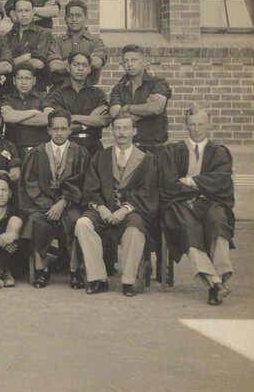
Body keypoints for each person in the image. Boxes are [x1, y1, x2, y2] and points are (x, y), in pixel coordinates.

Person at [159, 108, 235, 306]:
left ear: (209, 124)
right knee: (189, 230)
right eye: (192, 124)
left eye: (201, 124)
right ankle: (215, 283)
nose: (196, 129)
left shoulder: (219, 152)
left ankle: (217, 279)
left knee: (219, 221)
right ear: (186, 126)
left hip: (210, 203)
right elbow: (168, 184)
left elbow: (221, 182)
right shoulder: (173, 150)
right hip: (179, 204)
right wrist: (202, 189)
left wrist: (190, 182)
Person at [77, 114, 159, 297]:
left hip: (131, 210)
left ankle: (129, 281)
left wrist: (125, 209)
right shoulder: (101, 157)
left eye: (126, 128)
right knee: (82, 224)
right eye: (118, 128)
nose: (121, 133)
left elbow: (147, 192)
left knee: (135, 230)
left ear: (134, 131)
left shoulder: (145, 160)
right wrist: (101, 208)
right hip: (103, 209)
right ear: (112, 130)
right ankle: (98, 278)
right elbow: (90, 188)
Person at [19, 109, 89, 289]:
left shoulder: (80, 153)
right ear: (48, 130)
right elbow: (30, 183)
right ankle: (41, 270)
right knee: (35, 220)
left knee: (75, 220)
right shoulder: (37, 153)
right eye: (55, 129)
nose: (59, 133)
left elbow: (84, 183)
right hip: (43, 205)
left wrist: (64, 201)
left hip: (70, 203)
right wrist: (49, 206)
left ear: (70, 130)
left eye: (63, 129)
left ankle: (75, 271)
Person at [43, 52, 109, 157]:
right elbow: (58, 123)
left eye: (84, 65)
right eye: (76, 64)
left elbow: (104, 120)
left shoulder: (97, 94)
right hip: (66, 145)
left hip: (93, 146)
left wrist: (72, 117)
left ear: (89, 69)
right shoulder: (57, 93)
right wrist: (88, 121)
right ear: (68, 67)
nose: (80, 68)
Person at [108, 45, 172, 154]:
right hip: (129, 149)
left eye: (134, 60)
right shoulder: (119, 88)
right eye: (125, 61)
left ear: (144, 61)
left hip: (155, 149)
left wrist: (127, 107)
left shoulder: (157, 83)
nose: (129, 64)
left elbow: (156, 108)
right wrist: (146, 110)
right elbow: (115, 114)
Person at [48, 0, 107, 87]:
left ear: (86, 17)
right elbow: (54, 66)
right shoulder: (57, 41)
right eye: (70, 15)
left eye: (78, 15)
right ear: (65, 18)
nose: (74, 19)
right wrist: (85, 64)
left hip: (87, 90)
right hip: (60, 91)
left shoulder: (96, 42)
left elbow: (97, 62)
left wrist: (66, 64)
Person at [3, 0, 52, 93]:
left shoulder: (43, 33)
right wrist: (25, 57)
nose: (24, 14)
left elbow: (39, 63)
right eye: (20, 11)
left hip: (36, 87)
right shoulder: (7, 36)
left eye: (27, 10)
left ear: (33, 12)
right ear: (14, 13)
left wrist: (11, 63)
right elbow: (4, 65)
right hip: (11, 88)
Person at [1, 64, 49, 157]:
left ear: (34, 81)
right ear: (14, 81)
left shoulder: (43, 97)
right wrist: (35, 112)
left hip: (41, 151)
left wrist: (16, 118)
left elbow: (49, 118)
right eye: (20, 78)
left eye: (28, 78)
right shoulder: (7, 98)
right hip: (14, 152)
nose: (24, 82)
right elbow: (7, 116)